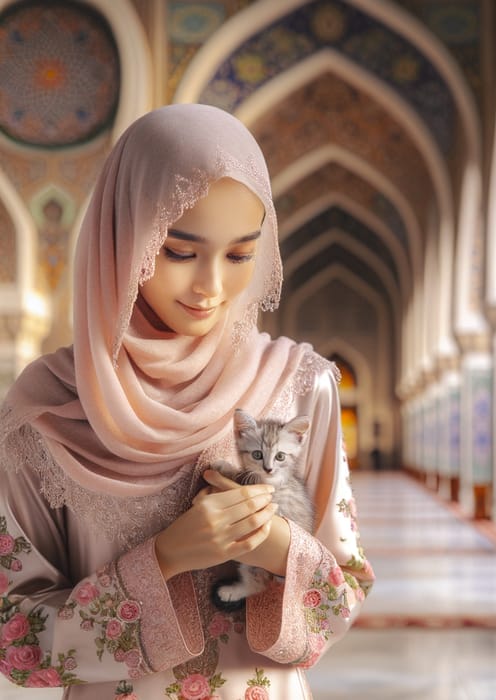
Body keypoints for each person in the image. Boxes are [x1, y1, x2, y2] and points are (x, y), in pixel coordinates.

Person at [0, 104, 374, 699]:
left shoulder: (300, 386)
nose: (212, 287)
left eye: (240, 254)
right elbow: (14, 638)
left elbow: (344, 592)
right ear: (124, 238)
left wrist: (278, 548)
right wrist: (164, 559)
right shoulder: (48, 412)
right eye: (179, 251)